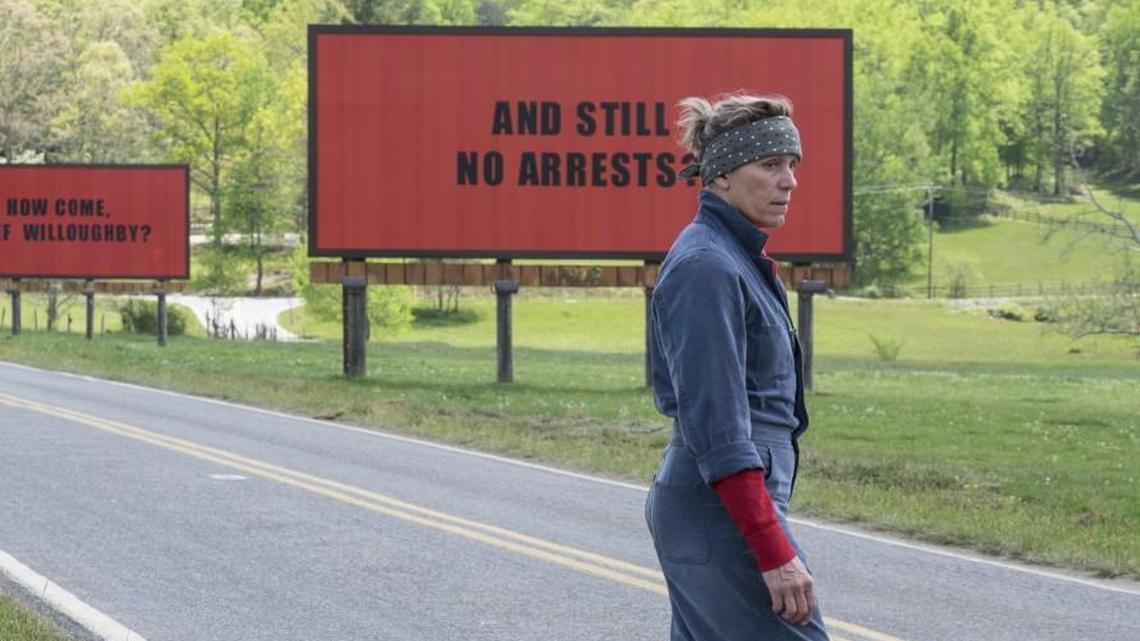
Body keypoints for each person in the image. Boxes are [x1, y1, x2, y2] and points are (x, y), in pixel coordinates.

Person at [645, 93, 830, 641]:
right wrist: (772, 549)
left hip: (720, 508)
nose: (788, 181)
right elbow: (719, 427)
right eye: (770, 165)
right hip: (720, 513)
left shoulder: (733, 258)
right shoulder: (707, 267)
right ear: (722, 174)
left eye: (792, 165)